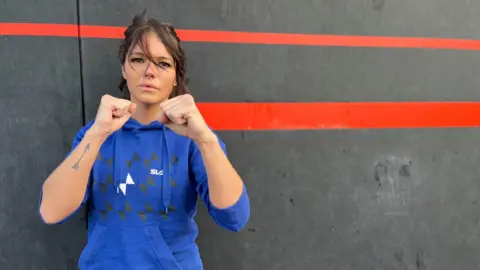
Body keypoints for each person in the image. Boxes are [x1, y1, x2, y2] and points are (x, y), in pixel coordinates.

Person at [38, 10, 250, 270]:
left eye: (163, 63)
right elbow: (51, 211)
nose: (150, 71)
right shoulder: (94, 136)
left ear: (175, 77)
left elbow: (234, 218)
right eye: (139, 59)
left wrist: (205, 139)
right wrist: (96, 134)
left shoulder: (193, 140)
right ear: (124, 69)